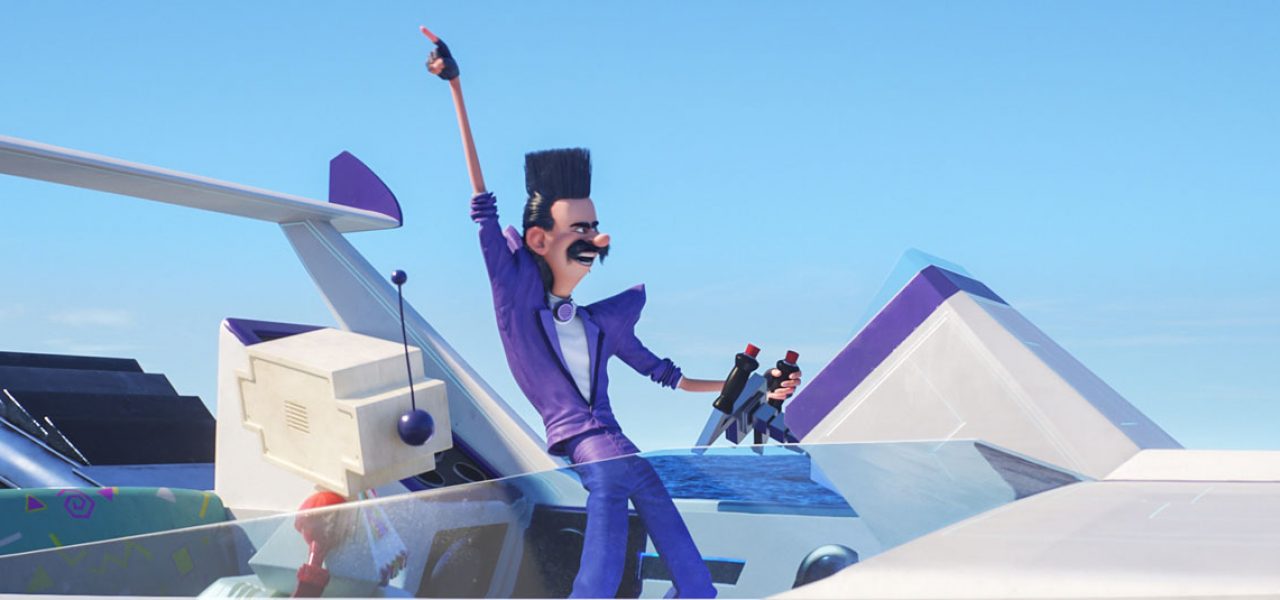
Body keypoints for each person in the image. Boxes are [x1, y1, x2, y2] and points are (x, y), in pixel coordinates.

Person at [421, 28, 800, 598]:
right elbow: (482, 204)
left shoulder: (601, 324)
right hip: (587, 445)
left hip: (620, 442)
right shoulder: (516, 299)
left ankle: (698, 592)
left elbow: (668, 376)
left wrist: (752, 385)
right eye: (581, 228)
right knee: (607, 517)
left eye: (595, 228)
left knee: (667, 524)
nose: (597, 240)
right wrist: (455, 87)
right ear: (539, 239)